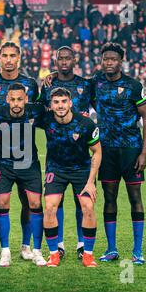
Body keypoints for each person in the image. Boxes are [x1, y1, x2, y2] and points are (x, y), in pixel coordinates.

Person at [0, 41, 41, 262]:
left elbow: (39, 110)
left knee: (28, 201)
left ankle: (26, 245)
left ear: (19, 58)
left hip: (26, 155)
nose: (8, 59)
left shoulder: (31, 84)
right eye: (4, 55)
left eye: (12, 55)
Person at [92, 43, 146, 265]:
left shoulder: (133, 86)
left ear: (120, 61)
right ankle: (111, 249)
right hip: (106, 151)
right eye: (105, 58)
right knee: (109, 198)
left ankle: (138, 251)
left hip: (131, 150)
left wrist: (144, 152)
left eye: (113, 59)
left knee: (135, 198)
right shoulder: (96, 82)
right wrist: (52, 76)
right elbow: (74, 84)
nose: (109, 62)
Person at [40, 46, 94, 259]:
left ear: (74, 59)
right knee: (55, 202)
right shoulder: (48, 85)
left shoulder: (86, 85)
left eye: (67, 58)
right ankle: (59, 245)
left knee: (82, 202)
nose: (64, 62)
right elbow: (41, 112)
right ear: (55, 61)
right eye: (60, 58)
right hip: (56, 155)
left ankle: (82, 244)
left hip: (81, 155)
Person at [0, 83, 46, 267]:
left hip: (29, 163)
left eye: (20, 99)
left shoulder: (36, 111)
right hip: (4, 164)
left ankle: (34, 250)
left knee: (34, 204)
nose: (16, 103)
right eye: (13, 99)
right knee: (2, 203)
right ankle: (5, 251)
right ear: (7, 99)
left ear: (26, 99)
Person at [40, 87, 101, 268]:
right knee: (50, 207)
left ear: (70, 103)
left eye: (64, 101)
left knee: (88, 207)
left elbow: (97, 152)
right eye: (56, 102)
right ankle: (53, 255)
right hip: (55, 169)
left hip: (81, 170)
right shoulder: (46, 119)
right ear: (50, 105)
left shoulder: (86, 124)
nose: (60, 106)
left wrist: (91, 182)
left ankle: (88, 255)